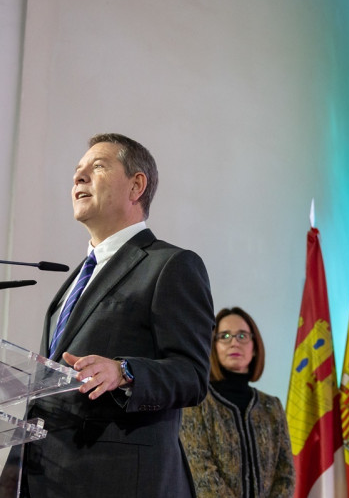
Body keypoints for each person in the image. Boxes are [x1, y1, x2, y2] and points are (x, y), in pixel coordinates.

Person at [21, 133, 215, 497]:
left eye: (96, 167)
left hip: (120, 480)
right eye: (77, 171)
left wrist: (124, 371)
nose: (78, 178)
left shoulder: (170, 265)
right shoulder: (75, 280)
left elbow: (192, 374)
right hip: (47, 479)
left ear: (136, 185)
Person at [180, 307, 295, 498]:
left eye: (242, 336)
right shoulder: (196, 402)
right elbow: (200, 473)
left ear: (255, 347)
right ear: (213, 346)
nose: (234, 342)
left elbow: (286, 474)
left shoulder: (272, 406)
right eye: (224, 336)